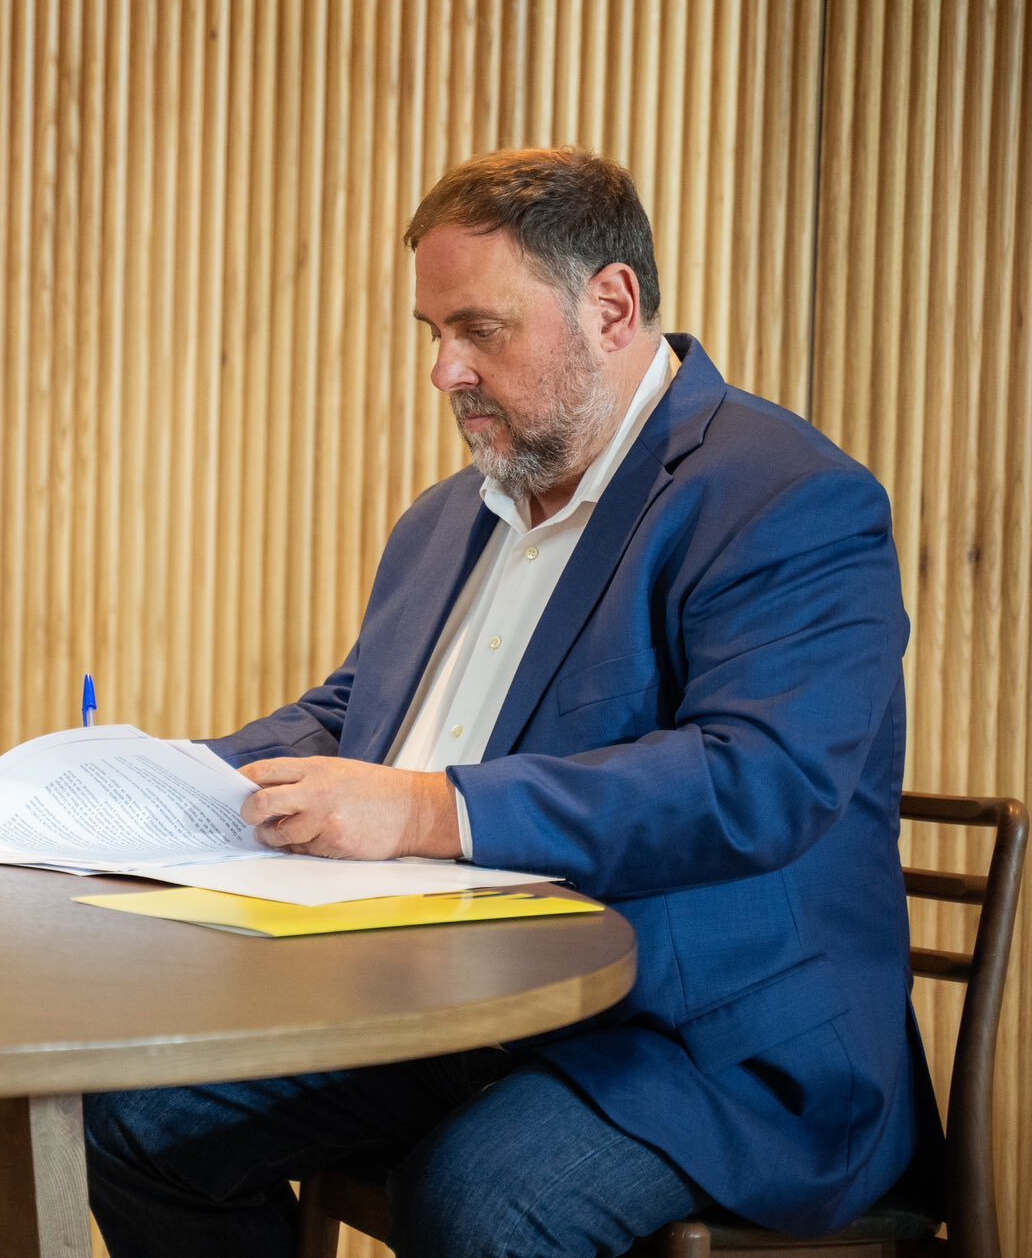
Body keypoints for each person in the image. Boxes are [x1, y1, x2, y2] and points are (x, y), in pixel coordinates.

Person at [83, 148, 939, 1257]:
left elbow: (759, 778)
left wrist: (427, 811)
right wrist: (161, 784)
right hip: (458, 1005)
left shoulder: (785, 497)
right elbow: (354, 718)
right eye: (429, 333)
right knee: (141, 1116)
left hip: (702, 1044)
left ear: (609, 307)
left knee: (478, 1197)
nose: (442, 371)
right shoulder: (448, 518)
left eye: (477, 328)